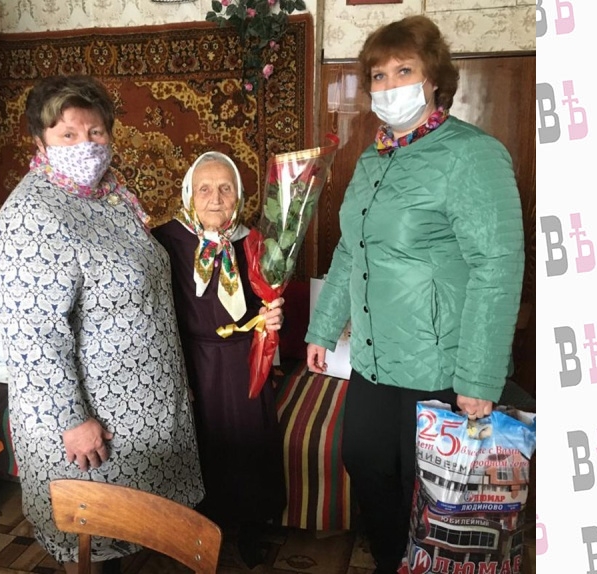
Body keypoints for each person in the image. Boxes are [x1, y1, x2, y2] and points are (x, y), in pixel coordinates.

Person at [304, 15, 524, 574]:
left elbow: (498, 266)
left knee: (429, 487)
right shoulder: (373, 157)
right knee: (364, 462)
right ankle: (391, 562)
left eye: (404, 71)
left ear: (434, 81)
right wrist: (321, 329)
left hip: (439, 362)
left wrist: (479, 378)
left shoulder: (472, 154)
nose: (389, 85)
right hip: (373, 357)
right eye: (378, 75)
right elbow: (350, 249)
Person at [0, 75, 204, 574]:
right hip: (92, 423)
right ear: (39, 141)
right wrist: (72, 421)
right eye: (68, 134)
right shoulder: (32, 215)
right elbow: (33, 336)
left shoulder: (108, 194)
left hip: (138, 410)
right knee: (91, 541)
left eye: (96, 132)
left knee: (131, 533)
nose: (85, 145)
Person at [152, 152, 286, 569]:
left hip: (244, 360)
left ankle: (250, 529)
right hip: (190, 360)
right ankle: (196, 531)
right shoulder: (164, 241)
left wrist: (272, 318)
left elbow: (267, 302)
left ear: (239, 195)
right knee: (200, 442)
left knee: (249, 442)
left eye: (225, 188)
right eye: (204, 189)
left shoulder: (256, 242)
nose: (215, 198)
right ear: (189, 195)